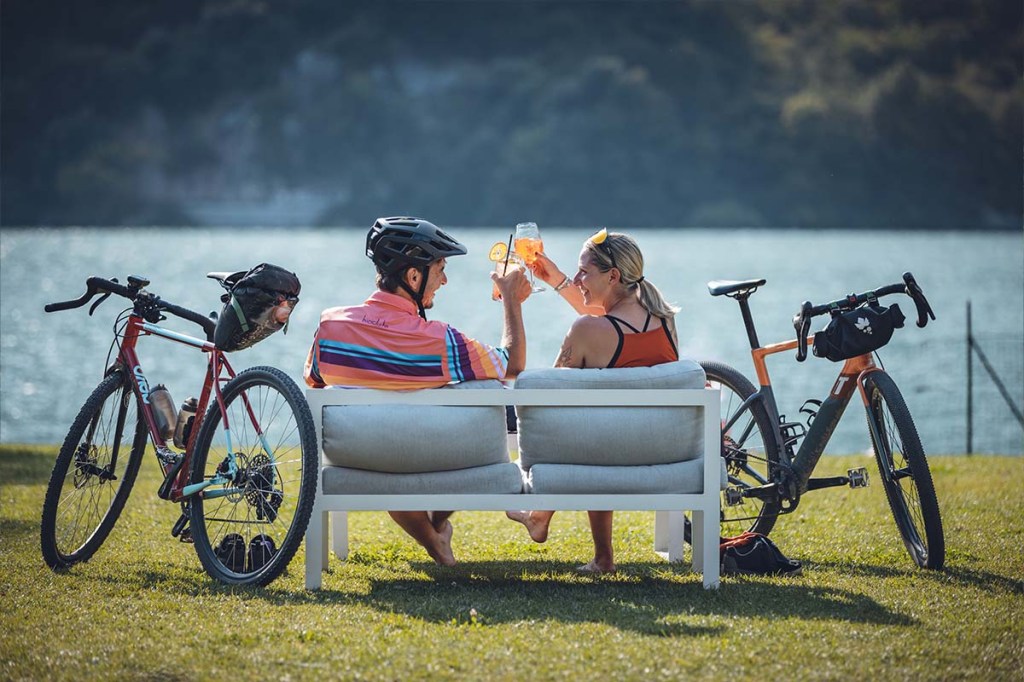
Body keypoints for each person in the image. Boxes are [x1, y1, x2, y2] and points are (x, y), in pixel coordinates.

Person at [305, 216, 532, 566]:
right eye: (440, 269)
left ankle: (434, 540)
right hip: (443, 459)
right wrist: (511, 300)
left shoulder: (330, 327)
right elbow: (513, 362)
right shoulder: (441, 341)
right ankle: (436, 533)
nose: (444, 280)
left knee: (393, 455)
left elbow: (315, 382)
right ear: (413, 276)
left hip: (363, 458)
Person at [506, 228, 679, 574]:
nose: (578, 279)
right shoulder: (664, 320)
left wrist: (511, 301)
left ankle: (545, 516)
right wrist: (557, 280)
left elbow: (546, 393)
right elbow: (610, 325)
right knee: (603, 425)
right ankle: (597, 554)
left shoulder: (587, 331)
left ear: (613, 276)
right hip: (660, 450)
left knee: (575, 423)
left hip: (605, 453)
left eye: (584, 272)